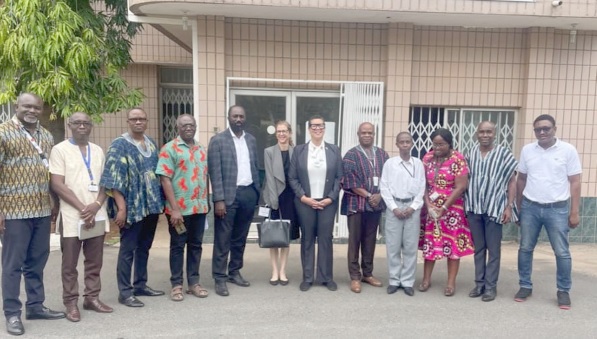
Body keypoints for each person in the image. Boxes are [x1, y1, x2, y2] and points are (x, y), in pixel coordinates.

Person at [0, 93, 65, 336]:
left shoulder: (46, 136)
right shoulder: (3, 133)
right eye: (27, 106)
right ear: (16, 106)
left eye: (37, 107)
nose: (32, 110)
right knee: (12, 265)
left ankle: (36, 306)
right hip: (13, 210)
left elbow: (49, 172)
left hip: (41, 209)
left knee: (37, 261)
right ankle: (12, 314)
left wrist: (54, 201)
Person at [50, 112, 113, 322]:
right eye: (77, 123)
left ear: (91, 126)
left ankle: (92, 298)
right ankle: (70, 303)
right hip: (71, 216)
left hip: (96, 214)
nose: (82, 126)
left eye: (86, 123)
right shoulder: (60, 150)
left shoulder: (97, 150)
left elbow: (105, 182)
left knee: (94, 262)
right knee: (69, 265)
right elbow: (57, 184)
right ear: (70, 125)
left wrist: (95, 205)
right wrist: (82, 208)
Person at [100, 108, 165, 308]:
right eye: (134, 119)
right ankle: (125, 292)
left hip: (150, 206)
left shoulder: (152, 143)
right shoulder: (119, 145)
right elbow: (113, 179)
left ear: (146, 121)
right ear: (128, 121)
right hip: (131, 207)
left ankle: (140, 285)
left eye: (142, 119)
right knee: (128, 249)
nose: (138, 122)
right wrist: (121, 208)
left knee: (144, 247)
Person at [515, 114, 581, 310]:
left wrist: (574, 211)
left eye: (546, 128)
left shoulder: (568, 150)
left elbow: (575, 181)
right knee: (525, 248)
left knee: (562, 252)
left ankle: (563, 290)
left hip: (558, 209)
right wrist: (519, 207)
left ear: (555, 129)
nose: (542, 132)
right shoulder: (528, 150)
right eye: (538, 129)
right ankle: (525, 286)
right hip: (530, 207)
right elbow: (521, 179)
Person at [156, 114, 210, 301]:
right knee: (178, 246)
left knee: (196, 246)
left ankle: (194, 283)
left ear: (196, 127)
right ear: (177, 128)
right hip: (179, 210)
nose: (189, 128)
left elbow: (205, 176)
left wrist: (207, 201)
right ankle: (176, 284)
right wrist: (175, 209)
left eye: (192, 125)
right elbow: (165, 178)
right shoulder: (169, 149)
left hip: (199, 208)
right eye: (184, 125)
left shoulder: (201, 149)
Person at [208, 105, 260, 297]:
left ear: (245, 118)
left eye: (241, 116)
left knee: (240, 238)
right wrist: (218, 199)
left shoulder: (251, 140)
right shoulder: (218, 141)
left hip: (248, 193)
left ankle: (234, 271)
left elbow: (255, 166)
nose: (238, 119)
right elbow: (215, 172)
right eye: (235, 116)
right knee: (223, 239)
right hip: (228, 196)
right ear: (228, 118)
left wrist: (256, 192)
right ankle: (219, 278)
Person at [288, 115, 343, 292]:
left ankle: (326, 277)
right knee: (308, 238)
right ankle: (308, 277)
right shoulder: (299, 150)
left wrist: (330, 198)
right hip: (305, 201)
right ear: (309, 129)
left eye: (320, 126)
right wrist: (303, 197)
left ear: (324, 128)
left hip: (328, 201)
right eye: (314, 126)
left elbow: (339, 178)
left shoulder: (334, 150)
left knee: (326, 238)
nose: (317, 129)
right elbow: (293, 177)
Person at [465, 121, 517, 302]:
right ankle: (479, 284)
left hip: (495, 208)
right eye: (482, 132)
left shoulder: (504, 153)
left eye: (489, 132)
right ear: (476, 134)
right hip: (474, 208)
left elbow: (512, 181)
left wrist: (509, 207)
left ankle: (491, 287)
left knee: (493, 250)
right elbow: (466, 179)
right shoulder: (470, 153)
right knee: (479, 249)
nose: (485, 135)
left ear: (495, 134)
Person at [418, 128, 474, 297]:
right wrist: (428, 205)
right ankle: (426, 279)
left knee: (452, 246)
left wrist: (444, 208)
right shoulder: (427, 158)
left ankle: (450, 283)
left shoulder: (458, 159)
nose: (437, 147)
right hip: (431, 210)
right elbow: (423, 185)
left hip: (452, 211)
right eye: (435, 144)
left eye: (441, 144)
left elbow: (461, 186)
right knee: (430, 244)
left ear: (449, 144)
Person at [340, 122, 389, 293]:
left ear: (374, 134)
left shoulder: (383, 155)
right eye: (364, 132)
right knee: (354, 241)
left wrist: (380, 195)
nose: (367, 135)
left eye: (370, 132)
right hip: (356, 204)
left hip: (376, 205)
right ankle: (355, 277)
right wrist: (369, 195)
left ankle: (367, 273)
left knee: (370, 241)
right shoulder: (350, 155)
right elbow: (351, 182)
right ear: (358, 134)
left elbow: (389, 179)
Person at [380, 132, 425, 296]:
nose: (405, 144)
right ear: (397, 144)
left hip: (412, 207)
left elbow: (422, 187)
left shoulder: (418, 164)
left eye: (408, 142)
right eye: (402, 142)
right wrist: (394, 208)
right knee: (393, 246)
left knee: (410, 247)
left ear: (412, 144)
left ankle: (407, 281)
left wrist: (413, 207)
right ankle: (394, 280)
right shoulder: (390, 164)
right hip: (395, 207)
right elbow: (384, 187)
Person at [263, 121, 300, 286]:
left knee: (285, 237)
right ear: (276, 133)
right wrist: (273, 201)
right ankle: (274, 271)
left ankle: (283, 271)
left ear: (290, 133)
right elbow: (270, 178)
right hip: (275, 196)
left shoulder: (296, 152)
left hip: (291, 199)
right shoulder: (269, 151)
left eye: (284, 131)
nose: (282, 134)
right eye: (279, 131)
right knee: (273, 236)